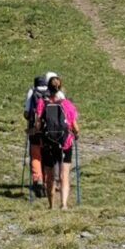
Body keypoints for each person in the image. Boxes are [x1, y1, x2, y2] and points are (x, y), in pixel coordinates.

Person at [36, 73, 77, 208]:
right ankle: (64, 204)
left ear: (48, 88)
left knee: (49, 175)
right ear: (60, 88)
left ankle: (51, 205)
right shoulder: (67, 104)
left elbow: (38, 125)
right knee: (64, 174)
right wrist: (75, 134)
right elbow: (74, 126)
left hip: (48, 143)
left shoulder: (42, 103)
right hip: (65, 143)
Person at [22, 72, 52, 196]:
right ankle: (46, 182)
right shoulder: (52, 92)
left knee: (35, 156)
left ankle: (37, 179)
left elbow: (27, 113)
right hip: (49, 130)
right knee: (46, 156)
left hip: (35, 130)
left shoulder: (32, 92)